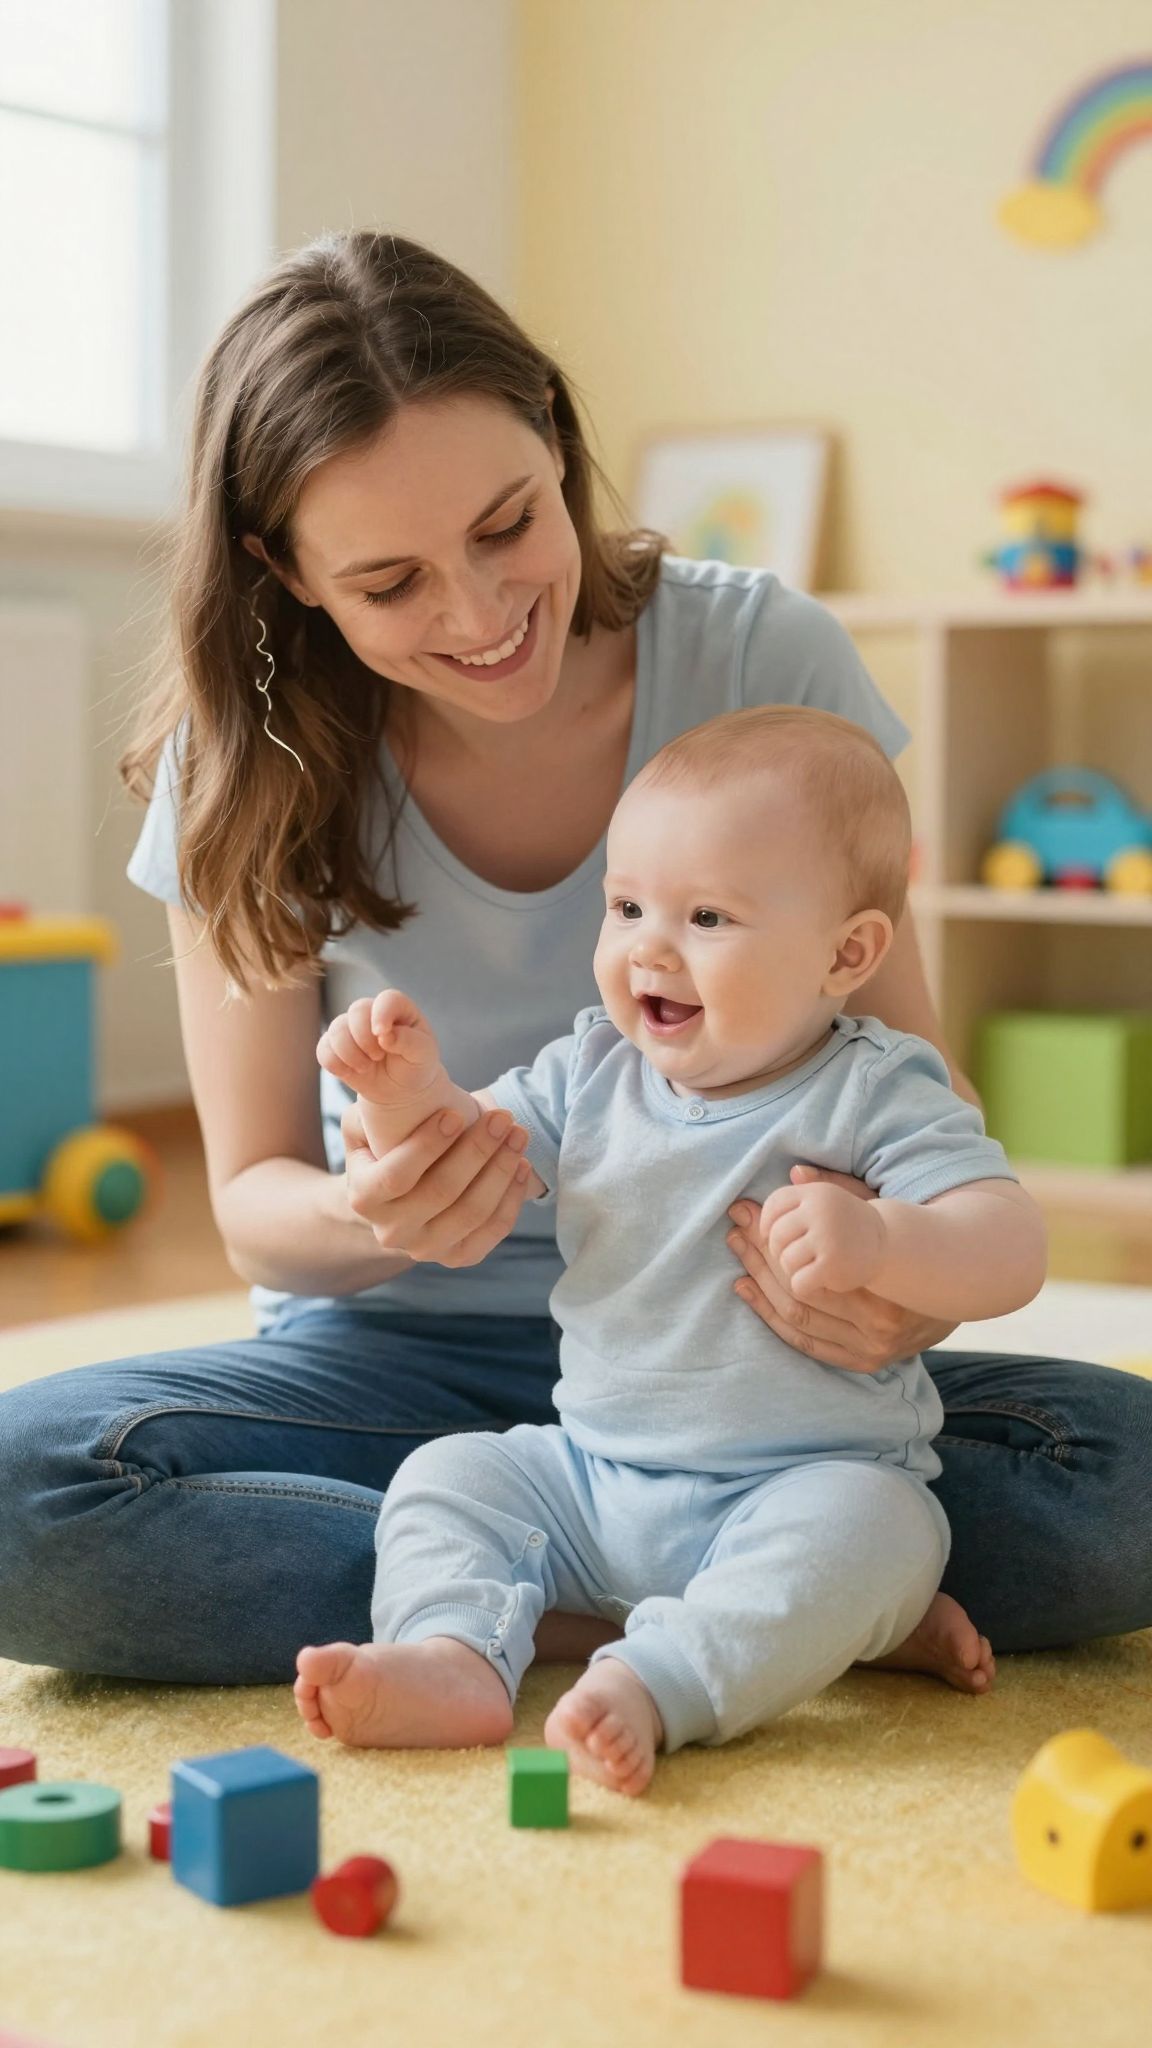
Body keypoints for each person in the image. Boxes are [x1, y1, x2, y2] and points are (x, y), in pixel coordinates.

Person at [0, 230, 1147, 1687]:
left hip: (756, 1380)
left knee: (1124, 1476)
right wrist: (384, 1207)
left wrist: (899, 1279)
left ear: (553, 431)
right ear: (283, 570)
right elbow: (254, 1207)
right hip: (396, 1375)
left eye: (506, 524)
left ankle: (540, 1587)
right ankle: (746, 1601)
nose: (479, 615)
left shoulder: (761, 659)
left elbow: (914, 1083)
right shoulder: (249, 761)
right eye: (391, 582)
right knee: (25, 1494)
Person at [291, 706, 1046, 1793]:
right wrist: (406, 1097)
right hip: (593, 1481)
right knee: (449, 1477)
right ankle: (455, 1654)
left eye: (706, 916)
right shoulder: (595, 1067)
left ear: (847, 953)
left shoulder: (876, 1087)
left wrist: (888, 1236)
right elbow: (467, 1149)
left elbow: (1012, 1242)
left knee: (882, 1531)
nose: (649, 945)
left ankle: (660, 1679)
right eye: (627, 905)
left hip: (799, 1483)